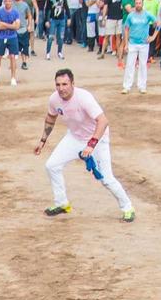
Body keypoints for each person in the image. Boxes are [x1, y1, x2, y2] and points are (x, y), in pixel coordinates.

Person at [34, 68, 134, 222]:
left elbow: (103, 121)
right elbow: (50, 117)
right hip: (74, 137)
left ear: (73, 83)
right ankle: (62, 203)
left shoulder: (84, 98)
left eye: (65, 84)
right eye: (58, 85)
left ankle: (127, 207)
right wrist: (42, 141)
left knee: (106, 178)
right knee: (51, 166)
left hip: (97, 138)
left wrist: (91, 145)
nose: (61, 88)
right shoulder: (54, 99)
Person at [120, 0, 152, 94]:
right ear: (135, 4)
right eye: (137, 3)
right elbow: (126, 29)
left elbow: (158, 23)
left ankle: (142, 86)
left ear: (142, 4)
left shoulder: (147, 15)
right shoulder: (130, 16)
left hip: (144, 44)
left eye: (140, 3)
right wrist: (126, 43)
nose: (138, 5)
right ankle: (126, 86)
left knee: (143, 65)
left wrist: (153, 37)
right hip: (132, 43)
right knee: (130, 64)